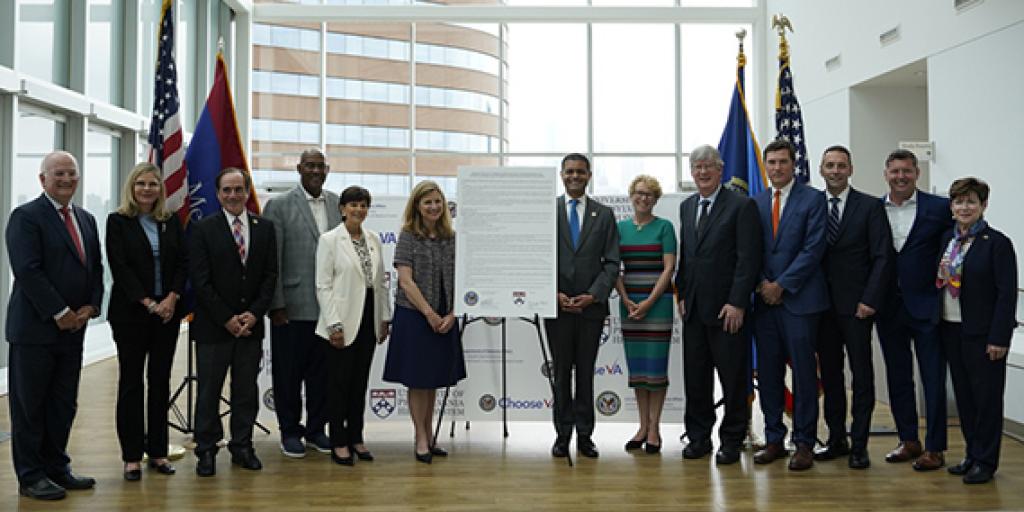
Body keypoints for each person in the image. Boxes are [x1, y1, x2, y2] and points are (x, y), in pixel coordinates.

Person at [5, 151, 103, 500]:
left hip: (74, 331)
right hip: (35, 331)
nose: (66, 179)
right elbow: (28, 271)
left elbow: (95, 268)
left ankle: (56, 467)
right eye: (58, 173)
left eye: (71, 174)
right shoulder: (26, 217)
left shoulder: (87, 219)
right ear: (42, 179)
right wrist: (60, 312)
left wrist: (92, 306)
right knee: (30, 407)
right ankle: (31, 476)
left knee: (63, 404)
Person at [674, 145, 762, 465]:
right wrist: (681, 295)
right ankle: (699, 438)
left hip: (728, 311)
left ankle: (732, 439)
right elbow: (688, 257)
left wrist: (738, 303)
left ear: (720, 170)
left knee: (733, 379)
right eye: (697, 166)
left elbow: (747, 260)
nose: (702, 172)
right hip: (694, 310)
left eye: (708, 166)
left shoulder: (741, 206)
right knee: (696, 380)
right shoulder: (686, 207)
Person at [189, 168, 278, 477]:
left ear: (247, 190)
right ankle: (207, 450)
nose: (233, 195)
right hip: (214, 328)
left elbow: (270, 277)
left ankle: (242, 446)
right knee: (209, 392)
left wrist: (254, 313)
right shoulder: (202, 229)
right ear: (217, 194)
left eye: (238, 189)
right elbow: (201, 282)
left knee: (245, 391)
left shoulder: (264, 228)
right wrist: (227, 318)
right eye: (226, 190)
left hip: (251, 328)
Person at [106, 163, 188, 480]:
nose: (147, 189)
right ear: (132, 186)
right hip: (131, 315)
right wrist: (149, 302)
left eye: (153, 184)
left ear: (160, 189)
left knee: (160, 382)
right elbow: (121, 267)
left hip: (167, 314)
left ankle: (157, 451)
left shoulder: (170, 222)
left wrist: (171, 299)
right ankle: (130, 456)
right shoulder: (118, 222)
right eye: (141, 183)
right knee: (131, 383)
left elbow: (183, 263)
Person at [814, 146, 893, 469]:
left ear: (851, 169)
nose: (835, 171)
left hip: (858, 307)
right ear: (821, 169)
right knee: (830, 376)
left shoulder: (870, 206)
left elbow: (882, 257)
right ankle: (837, 438)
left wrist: (870, 299)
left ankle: (859, 443)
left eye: (841, 166)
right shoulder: (811, 204)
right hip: (820, 306)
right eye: (830, 165)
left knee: (862, 376)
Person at [751, 139, 828, 471]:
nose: (777, 167)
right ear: (766, 165)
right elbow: (748, 250)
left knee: (804, 376)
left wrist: (781, 285)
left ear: (793, 164)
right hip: (764, 304)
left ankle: (804, 443)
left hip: (800, 301)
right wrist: (762, 285)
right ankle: (772, 438)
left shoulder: (813, 199)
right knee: (768, 374)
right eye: (771, 162)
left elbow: (813, 249)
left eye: (783, 162)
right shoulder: (754, 203)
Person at [262, 149, 342, 457]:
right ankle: (290, 432)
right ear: (299, 168)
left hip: (331, 308)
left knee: (323, 375)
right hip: (292, 307)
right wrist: (276, 303)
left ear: (327, 170)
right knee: (288, 374)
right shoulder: (279, 206)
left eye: (320, 166)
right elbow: (273, 259)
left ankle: (316, 430)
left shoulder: (338, 203)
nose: (315, 170)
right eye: (309, 165)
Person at [936, 177, 1017, 484]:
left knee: (986, 401)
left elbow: (1006, 294)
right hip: (951, 330)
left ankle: (986, 461)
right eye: (958, 201)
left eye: (971, 201)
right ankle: (972, 454)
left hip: (983, 335)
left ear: (983, 206)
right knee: (965, 399)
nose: (964, 207)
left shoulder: (997, 243)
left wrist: (999, 337)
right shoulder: (948, 239)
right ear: (951, 206)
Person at [876, 149, 952, 471]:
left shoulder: (939, 208)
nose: (901, 177)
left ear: (917, 174)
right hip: (888, 308)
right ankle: (908, 439)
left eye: (907, 171)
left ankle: (935, 448)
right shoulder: (873, 209)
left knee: (933, 379)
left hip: (927, 307)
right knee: (898, 377)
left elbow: (952, 247)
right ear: (886, 174)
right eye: (894, 171)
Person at [382, 180, 465, 464]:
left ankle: (429, 435)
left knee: (432, 380)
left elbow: (462, 279)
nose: (433, 207)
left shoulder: (452, 237)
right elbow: (405, 281)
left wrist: (453, 313)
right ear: (417, 206)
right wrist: (429, 313)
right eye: (427, 202)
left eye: (437, 201)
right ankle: (420, 437)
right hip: (415, 315)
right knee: (417, 381)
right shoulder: (408, 235)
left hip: (445, 316)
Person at [547, 153, 620, 460]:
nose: (574, 176)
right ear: (562, 175)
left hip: (591, 309)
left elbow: (612, 263)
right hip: (557, 307)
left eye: (580, 172)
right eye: (569, 171)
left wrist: (593, 295)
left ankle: (585, 436)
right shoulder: (547, 211)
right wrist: (553, 294)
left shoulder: (604, 215)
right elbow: (538, 258)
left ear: (589, 175)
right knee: (562, 372)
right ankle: (562, 435)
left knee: (586, 372)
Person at [315, 186, 392, 466]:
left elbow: (380, 283)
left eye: (363, 205)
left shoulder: (373, 239)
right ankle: (339, 441)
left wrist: (384, 318)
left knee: (359, 384)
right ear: (342, 209)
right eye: (353, 205)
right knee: (338, 385)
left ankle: (356, 437)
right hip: (341, 322)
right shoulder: (330, 240)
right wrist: (334, 324)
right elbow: (322, 286)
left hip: (368, 319)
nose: (358, 210)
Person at [614, 175, 677, 455]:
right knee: (638, 369)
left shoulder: (665, 227)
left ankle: (655, 428)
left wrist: (650, 301)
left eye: (650, 194)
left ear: (656, 199)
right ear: (631, 195)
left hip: (658, 304)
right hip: (629, 306)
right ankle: (641, 426)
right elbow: (614, 267)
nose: (644, 198)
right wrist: (626, 299)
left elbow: (668, 269)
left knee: (656, 368)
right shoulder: (619, 228)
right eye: (640, 193)